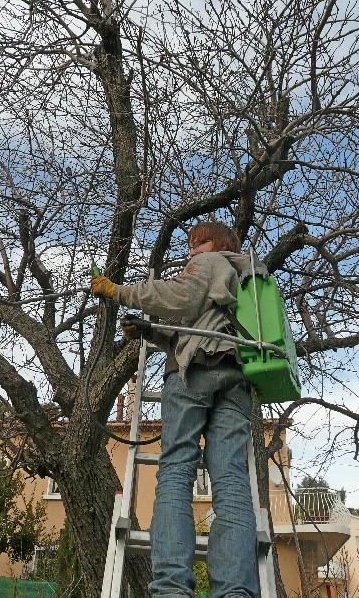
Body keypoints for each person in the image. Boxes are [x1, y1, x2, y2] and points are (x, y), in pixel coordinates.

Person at [92, 221, 266, 598]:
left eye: (198, 242)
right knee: (232, 482)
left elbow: (181, 298)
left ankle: (171, 589)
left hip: (194, 374)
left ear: (218, 244)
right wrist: (150, 332)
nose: (191, 249)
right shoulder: (244, 274)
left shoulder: (210, 263)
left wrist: (118, 291)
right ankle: (235, 591)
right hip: (236, 379)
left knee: (175, 470)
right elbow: (203, 320)